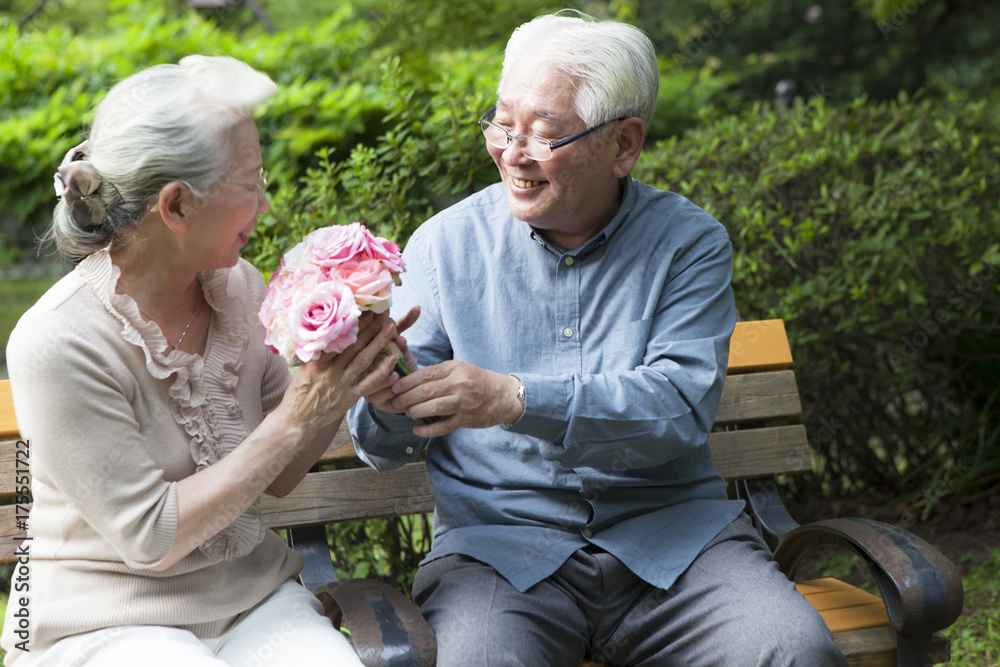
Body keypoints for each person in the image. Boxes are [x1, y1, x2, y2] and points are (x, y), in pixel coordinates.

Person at [349, 12, 849, 666]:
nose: (512, 151)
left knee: (794, 649)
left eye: (543, 133)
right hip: (500, 556)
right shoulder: (443, 249)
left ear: (624, 143)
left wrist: (514, 398)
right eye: (502, 123)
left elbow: (678, 406)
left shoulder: (688, 244)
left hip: (677, 547)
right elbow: (389, 442)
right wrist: (388, 407)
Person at [0, 56, 401, 666]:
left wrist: (344, 377)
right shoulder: (59, 341)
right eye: (252, 183)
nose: (265, 205)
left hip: (250, 604)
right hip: (106, 625)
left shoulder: (239, 286)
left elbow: (283, 472)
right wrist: (298, 414)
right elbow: (153, 537)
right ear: (177, 206)